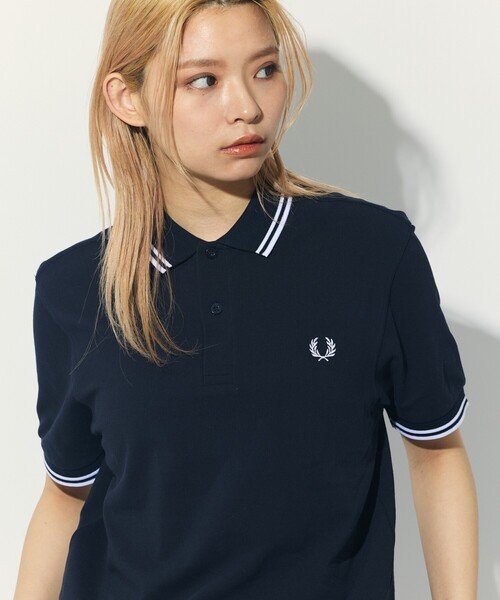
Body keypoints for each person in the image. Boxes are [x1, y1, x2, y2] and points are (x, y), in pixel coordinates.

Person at [14, 0, 478, 598]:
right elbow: (66, 496)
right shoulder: (72, 289)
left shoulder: (374, 253)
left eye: (264, 70)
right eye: (203, 80)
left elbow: (436, 451)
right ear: (128, 98)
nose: (248, 107)